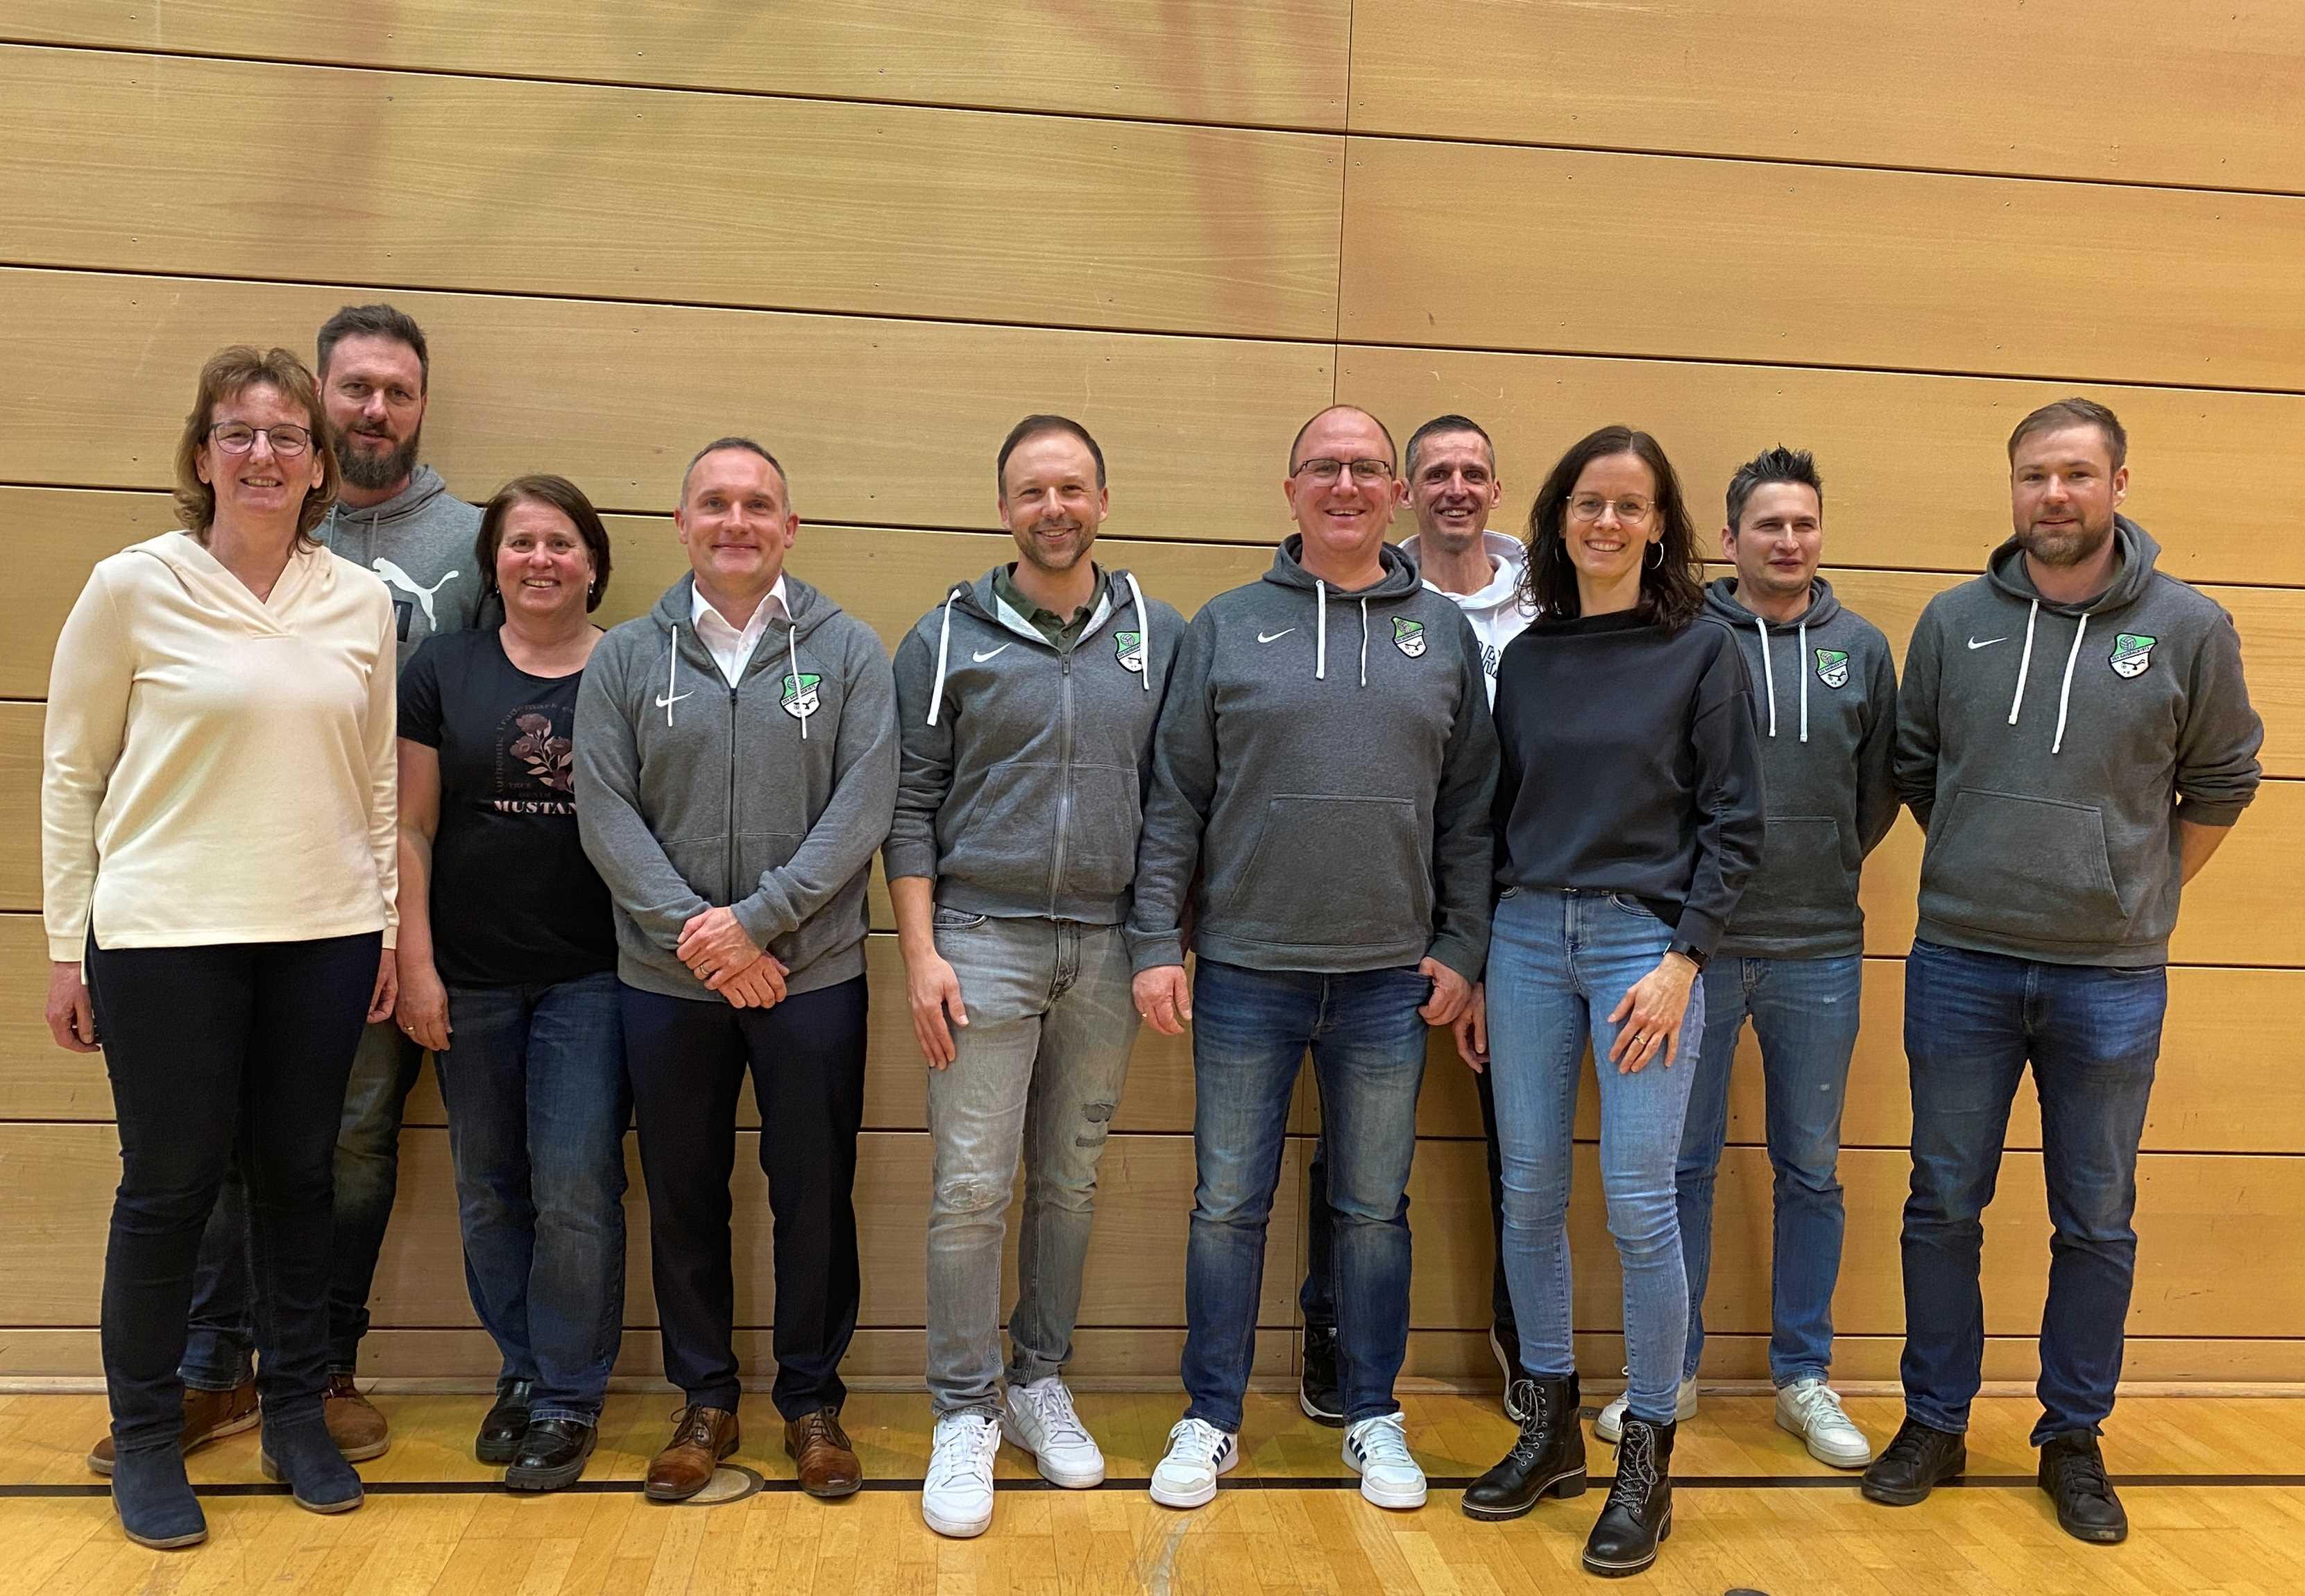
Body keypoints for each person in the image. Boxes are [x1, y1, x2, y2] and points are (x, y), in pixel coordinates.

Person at [1862, 399, 2263, 1544]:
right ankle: (1934, 1420)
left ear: (2117, 485)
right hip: (1961, 964)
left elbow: (2223, 780)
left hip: (2110, 979)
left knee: (2094, 1217)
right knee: (1942, 1202)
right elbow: (1914, 766)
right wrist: (1985, 859)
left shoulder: (2188, 627)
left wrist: (2142, 891)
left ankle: (2072, 1437)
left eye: (2076, 474)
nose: (2054, 494)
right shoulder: (1953, 622)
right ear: (2012, 487)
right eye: (2034, 474)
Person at [112, 303, 484, 1477]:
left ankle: (317, 1373)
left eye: (398, 391)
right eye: (355, 387)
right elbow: (82, 765)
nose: (376, 407)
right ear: (318, 406)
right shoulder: (159, 576)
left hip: (364, 910)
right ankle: (209, 1370)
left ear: (418, 409)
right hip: (200, 914)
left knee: (340, 1149)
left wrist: (401, 927)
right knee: (200, 1158)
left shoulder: (474, 545)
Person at [42, 346, 397, 1547]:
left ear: (318, 466)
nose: (262, 455)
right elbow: (72, 773)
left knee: (299, 1181)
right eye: (238, 433)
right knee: (170, 1190)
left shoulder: (357, 600)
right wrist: (65, 944)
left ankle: (294, 1413)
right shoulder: (131, 587)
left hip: (324, 934)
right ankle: (148, 1437)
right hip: (164, 938)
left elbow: (376, 781)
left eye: (287, 436)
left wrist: (385, 923)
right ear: (202, 455)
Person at [1128, 405, 1497, 1514]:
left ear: (1395, 493)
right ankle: (1210, 1416)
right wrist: (1155, 941)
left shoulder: (1443, 635)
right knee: (1226, 1207)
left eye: (1365, 468)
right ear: (1289, 489)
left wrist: (1462, 946)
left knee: (1372, 1211)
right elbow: (1174, 801)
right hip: (1245, 970)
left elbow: (1471, 812)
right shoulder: (1226, 625)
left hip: (1389, 982)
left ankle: (1373, 1414)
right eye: (1323, 468)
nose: (1345, 485)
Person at [1461, 425, 1763, 1579]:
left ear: (1660, 527)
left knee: (1639, 1204)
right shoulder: (1530, 656)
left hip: (1645, 950)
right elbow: (1495, 817)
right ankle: (1547, 1432)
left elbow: (1736, 824)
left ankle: (1647, 1457)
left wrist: (1685, 963)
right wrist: (1479, 959)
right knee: (1528, 1196)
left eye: (1630, 505)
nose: (1606, 521)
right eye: (1589, 501)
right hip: (1526, 939)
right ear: (1558, 516)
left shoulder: (1702, 650)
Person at [575, 437, 898, 1503]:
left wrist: (757, 926)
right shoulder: (627, 656)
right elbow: (605, 813)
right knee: (683, 1196)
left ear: (789, 528)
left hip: (812, 975)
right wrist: (702, 937)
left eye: (758, 504)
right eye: (713, 503)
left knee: (813, 1196)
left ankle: (812, 1404)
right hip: (666, 982)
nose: (735, 521)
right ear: (681, 525)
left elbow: (863, 805)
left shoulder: (847, 651)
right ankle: (704, 1400)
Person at [887, 415, 1183, 1538]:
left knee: (1069, 1180)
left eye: (1070, 488)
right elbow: (909, 804)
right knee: (971, 1188)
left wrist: (1157, 943)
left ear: (1102, 500)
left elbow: (1177, 805)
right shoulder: (943, 639)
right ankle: (963, 1409)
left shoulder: (1158, 635)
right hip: (980, 940)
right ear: (1003, 507)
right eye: (1030, 491)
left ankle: (1036, 1382)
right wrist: (922, 954)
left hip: (1106, 948)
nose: (1052, 508)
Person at [1592, 446, 1896, 1467]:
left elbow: (1875, 791)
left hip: (1820, 952)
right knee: (1681, 1165)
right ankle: (1668, 1373)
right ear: (1728, 539)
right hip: (1693, 953)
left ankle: (1803, 1377)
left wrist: (1819, 861)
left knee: (1811, 1168)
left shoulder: (1860, 648)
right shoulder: (1682, 637)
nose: (1788, 540)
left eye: (1804, 523)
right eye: (1768, 524)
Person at [1299, 413, 1531, 1426]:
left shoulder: (1546, 609)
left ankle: (1528, 1346)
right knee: (1350, 1151)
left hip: (1514, 914)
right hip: (1376, 909)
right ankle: (1333, 1335)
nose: (1454, 489)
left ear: (1494, 489)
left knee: (1519, 1150)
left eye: (1472, 473)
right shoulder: (1358, 595)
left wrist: (1474, 944)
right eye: (1435, 473)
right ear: (1406, 493)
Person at [395, 476, 624, 1493]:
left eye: (561, 543)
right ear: (493, 562)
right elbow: (411, 827)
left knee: (576, 1187)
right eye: (521, 542)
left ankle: (570, 1395)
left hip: (595, 979)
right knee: (488, 1189)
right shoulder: (442, 668)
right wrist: (416, 964)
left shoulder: (632, 665)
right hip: (470, 980)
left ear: (592, 563)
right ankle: (522, 1372)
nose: (541, 559)